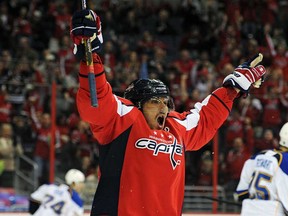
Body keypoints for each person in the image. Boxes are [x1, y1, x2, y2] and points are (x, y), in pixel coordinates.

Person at [70, 9, 266, 215]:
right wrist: (90, 55)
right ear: (137, 104)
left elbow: (206, 118)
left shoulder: (176, 127)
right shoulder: (124, 118)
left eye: (166, 102)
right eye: (155, 101)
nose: (164, 107)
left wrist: (232, 89)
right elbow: (97, 101)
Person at [234, 122, 288, 216]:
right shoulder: (285, 160)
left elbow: (241, 193)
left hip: (248, 210)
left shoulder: (259, 155)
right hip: (272, 211)